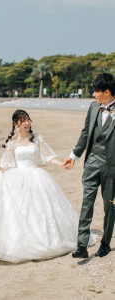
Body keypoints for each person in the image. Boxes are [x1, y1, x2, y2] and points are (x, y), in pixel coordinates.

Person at [0, 110, 95, 263]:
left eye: (28, 120)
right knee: (20, 211)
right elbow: (10, 164)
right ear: (15, 124)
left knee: (42, 210)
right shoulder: (11, 143)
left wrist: (61, 164)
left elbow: (47, 157)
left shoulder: (37, 138)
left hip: (37, 176)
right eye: (22, 121)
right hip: (19, 177)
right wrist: (3, 173)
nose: (26, 123)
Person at [64, 73, 115, 259]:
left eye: (96, 91)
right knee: (87, 203)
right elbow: (86, 133)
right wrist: (74, 156)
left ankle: (106, 243)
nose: (93, 94)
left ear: (107, 92)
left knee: (111, 206)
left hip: (112, 167)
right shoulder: (93, 108)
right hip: (92, 163)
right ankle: (82, 246)